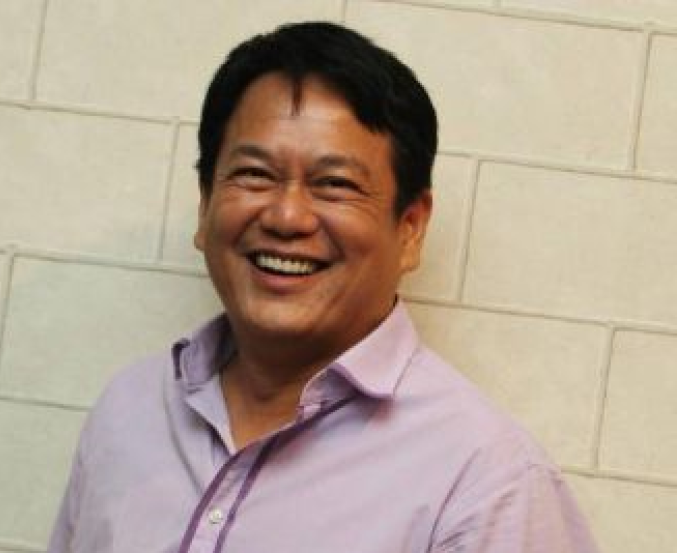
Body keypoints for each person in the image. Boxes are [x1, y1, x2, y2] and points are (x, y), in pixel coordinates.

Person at [48, 22, 600, 553]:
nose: (286, 216)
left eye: (334, 184)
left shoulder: (487, 483)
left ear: (410, 229)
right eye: (255, 174)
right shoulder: (130, 411)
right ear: (205, 203)